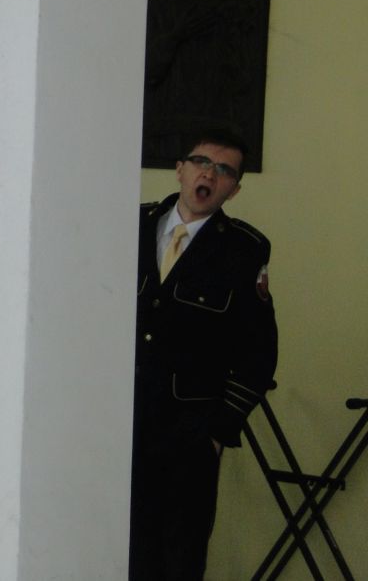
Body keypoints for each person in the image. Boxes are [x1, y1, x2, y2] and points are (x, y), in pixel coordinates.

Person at [130, 128, 277, 580]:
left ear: (234, 188)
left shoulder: (243, 250)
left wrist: (218, 431)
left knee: (180, 559)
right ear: (180, 169)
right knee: (116, 551)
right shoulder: (130, 224)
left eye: (224, 170)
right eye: (201, 162)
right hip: (119, 424)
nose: (209, 175)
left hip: (188, 436)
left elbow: (259, 354)